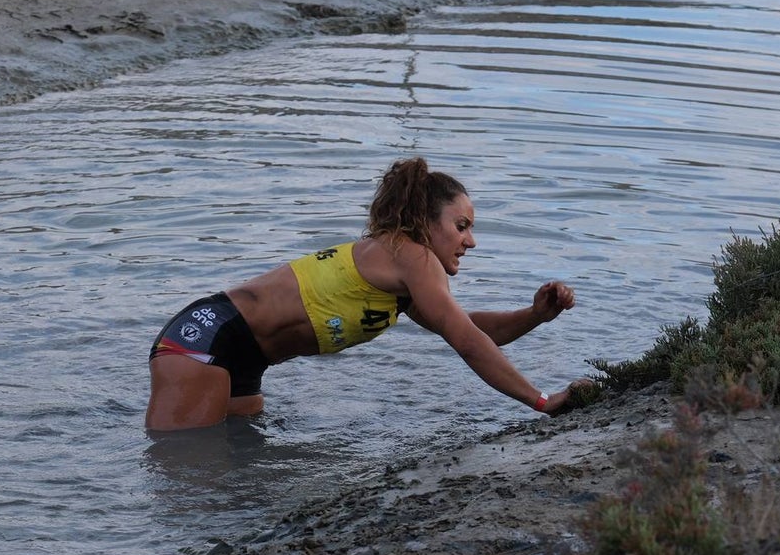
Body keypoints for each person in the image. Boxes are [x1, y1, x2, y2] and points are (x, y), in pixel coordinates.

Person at [146, 156, 586, 432]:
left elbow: (467, 328)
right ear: (423, 221)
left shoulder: (403, 271)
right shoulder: (412, 256)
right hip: (205, 337)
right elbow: (468, 342)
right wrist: (542, 401)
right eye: (462, 226)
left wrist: (534, 314)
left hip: (246, 358)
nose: (471, 242)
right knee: (182, 469)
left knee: (228, 465)